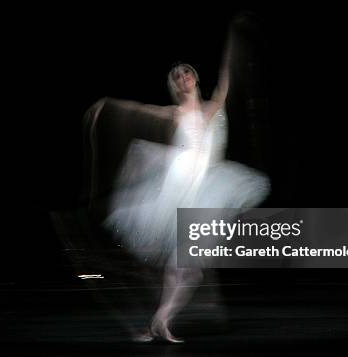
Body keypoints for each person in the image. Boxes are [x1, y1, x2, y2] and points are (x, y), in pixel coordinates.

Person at [98, 18, 270, 343]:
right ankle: (159, 322)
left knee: (187, 267)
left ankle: (158, 323)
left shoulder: (215, 105)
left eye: (187, 72)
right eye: (177, 76)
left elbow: (227, 75)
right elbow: (140, 109)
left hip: (207, 187)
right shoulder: (175, 114)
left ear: (194, 77)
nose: (183, 78)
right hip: (181, 184)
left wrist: (234, 38)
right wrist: (113, 105)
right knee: (184, 266)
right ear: (175, 85)